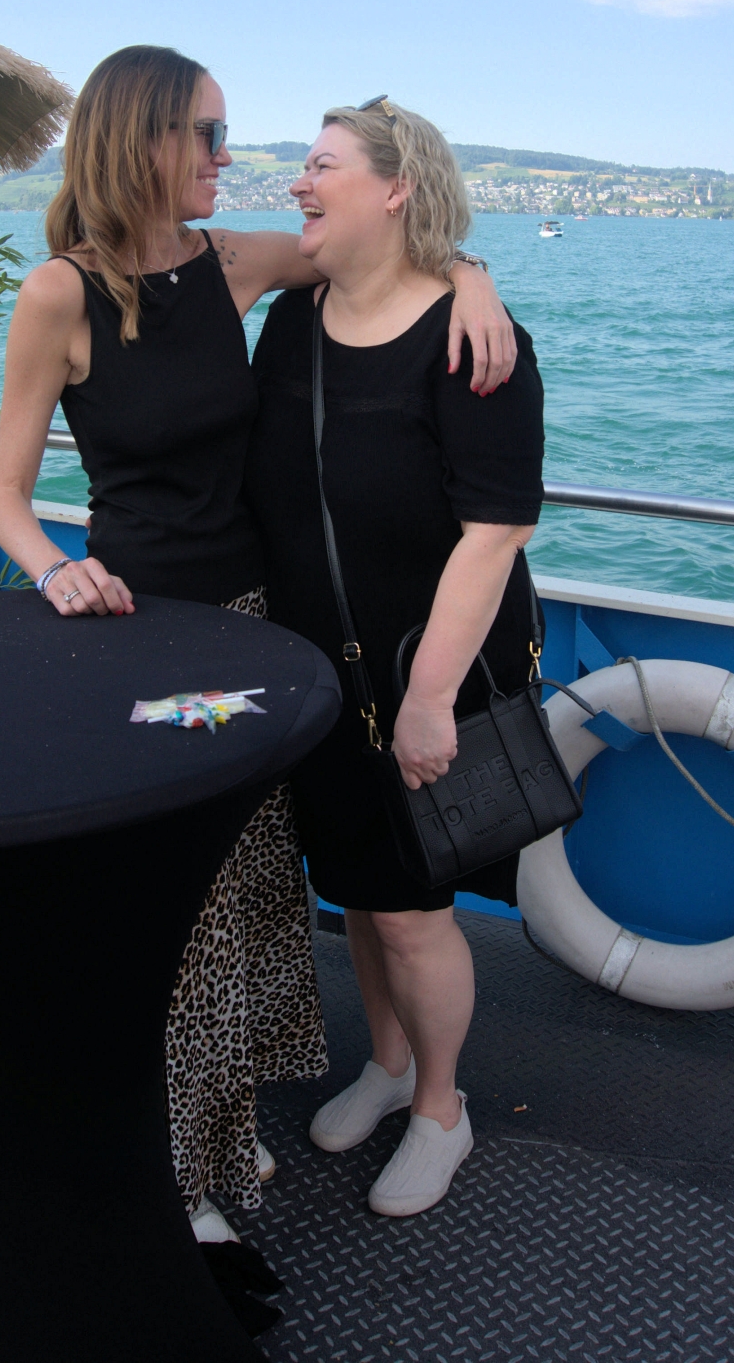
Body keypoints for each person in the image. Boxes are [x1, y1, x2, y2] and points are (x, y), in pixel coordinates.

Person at [0, 47, 517, 1245]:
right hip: (144, 643)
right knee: (180, 900)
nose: (231, 160)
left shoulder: (233, 264)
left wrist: (474, 279)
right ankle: (188, 1161)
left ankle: (230, 1112)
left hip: (258, 629)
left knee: (259, 881)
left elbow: (383, 247)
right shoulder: (59, 294)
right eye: (209, 136)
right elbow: (4, 494)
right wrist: (55, 569)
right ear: (141, 140)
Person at [243, 97, 544, 1218]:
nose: (298, 181)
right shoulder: (293, 320)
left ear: (395, 187)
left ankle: (440, 1108)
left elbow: (495, 532)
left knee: (415, 915)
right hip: (317, 669)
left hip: (429, 677)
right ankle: (386, 1064)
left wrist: (426, 700)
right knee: (357, 896)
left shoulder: (475, 342)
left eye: (321, 164)